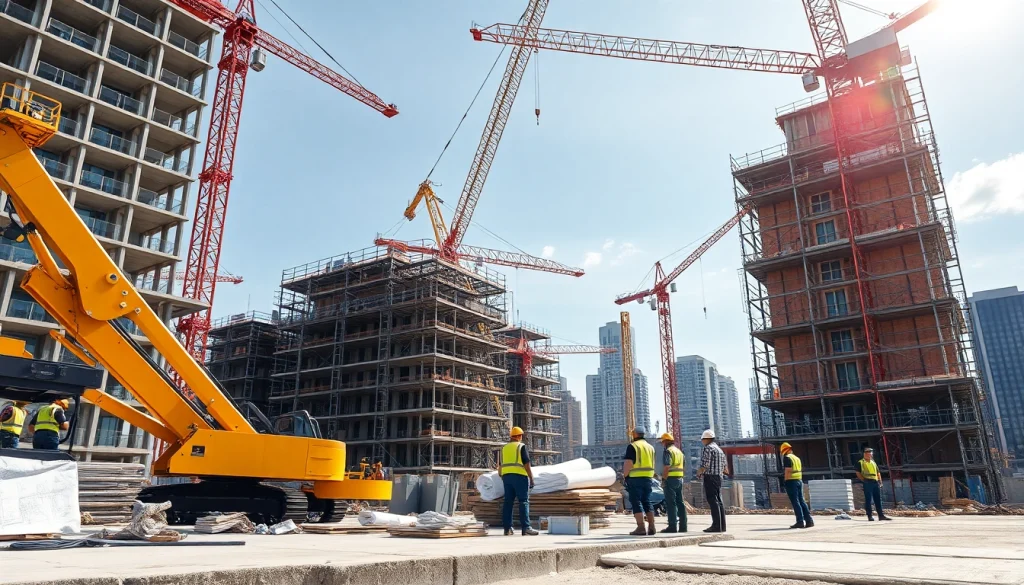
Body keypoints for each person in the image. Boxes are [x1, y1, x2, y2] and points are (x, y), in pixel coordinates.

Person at [499, 426, 538, 536]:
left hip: (506, 477)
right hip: (520, 477)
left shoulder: (504, 448)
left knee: (508, 502)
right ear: (519, 436)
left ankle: (507, 529)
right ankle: (526, 527)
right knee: (523, 501)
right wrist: (531, 479)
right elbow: (527, 464)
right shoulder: (521, 446)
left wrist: (502, 476)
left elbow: (500, 465)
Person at [623, 427, 657, 536]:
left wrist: (625, 476)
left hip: (635, 478)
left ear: (635, 434)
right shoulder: (650, 447)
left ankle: (641, 527)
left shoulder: (633, 446)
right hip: (648, 477)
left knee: (636, 501)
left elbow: (628, 463)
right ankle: (652, 526)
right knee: (647, 501)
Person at [697, 429, 727, 533]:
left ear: (706, 439)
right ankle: (722, 526)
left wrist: (699, 472)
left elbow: (705, 464)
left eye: (702, 439)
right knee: (719, 500)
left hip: (710, 477)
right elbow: (725, 467)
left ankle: (716, 526)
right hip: (719, 476)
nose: (702, 441)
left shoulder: (708, 448)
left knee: (712, 500)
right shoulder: (719, 449)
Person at [659, 432, 686, 534]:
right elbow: (684, 465)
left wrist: (664, 479)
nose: (662, 444)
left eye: (662, 442)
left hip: (670, 479)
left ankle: (672, 526)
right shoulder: (679, 452)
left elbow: (667, 466)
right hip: (679, 478)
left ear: (665, 442)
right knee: (680, 503)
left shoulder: (668, 451)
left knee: (671, 503)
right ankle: (683, 526)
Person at [781, 442, 813, 529]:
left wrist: (785, 480)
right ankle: (809, 521)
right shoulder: (797, 458)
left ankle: (800, 522)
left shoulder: (787, 458)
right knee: (801, 501)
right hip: (799, 480)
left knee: (795, 502)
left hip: (791, 481)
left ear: (784, 451)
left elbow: (788, 470)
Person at [856, 447, 891, 521]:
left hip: (875, 482)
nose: (870, 454)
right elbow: (858, 473)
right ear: (865, 453)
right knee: (868, 499)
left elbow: (878, 472)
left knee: (878, 499)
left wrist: (880, 481)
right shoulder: (861, 462)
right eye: (869, 453)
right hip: (867, 482)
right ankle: (870, 516)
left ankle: (881, 515)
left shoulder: (873, 462)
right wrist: (863, 480)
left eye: (871, 453)